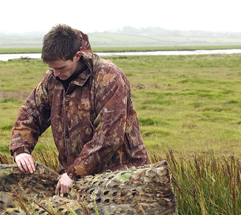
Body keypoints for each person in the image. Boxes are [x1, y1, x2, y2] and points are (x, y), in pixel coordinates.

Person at [9, 24, 150, 196]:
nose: (56, 73)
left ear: (77, 56)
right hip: (76, 180)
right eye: (52, 68)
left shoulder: (109, 77)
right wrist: (21, 150)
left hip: (123, 178)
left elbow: (109, 136)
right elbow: (31, 114)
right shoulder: (52, 80)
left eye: (60, 68)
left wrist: (74, 173)